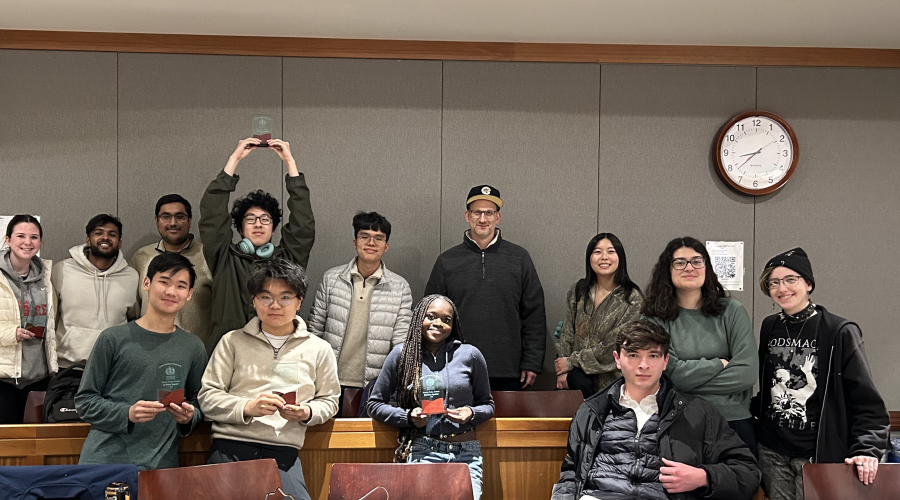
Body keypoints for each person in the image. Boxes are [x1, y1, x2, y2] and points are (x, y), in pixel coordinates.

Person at [551, 320, 759, 500]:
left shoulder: (698, 413)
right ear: (617, 359)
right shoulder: (592, 412)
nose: (643, 365)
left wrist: (702, 477)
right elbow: (572, 474)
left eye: (653, 355)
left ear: (665, 361)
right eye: (633, 355)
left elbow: (748, 473)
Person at [754, 248, 889, 499]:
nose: (782, 288)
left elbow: (866, 400)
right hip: (772, 450)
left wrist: (868, 449)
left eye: (790, 280)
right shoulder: (769, 326)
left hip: (817, 453)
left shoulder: (840, 331)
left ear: (808, 283)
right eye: (774, 283)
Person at [199, 259, 339, 500]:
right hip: (230, 446)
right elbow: (207, 397)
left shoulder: (319, 348)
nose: (275, 305)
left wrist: (306, 412)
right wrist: (247, 407)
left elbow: (330, 400)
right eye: (265, 297)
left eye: (285, 297)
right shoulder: (232, 341)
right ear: (254, 300)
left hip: (283, 451)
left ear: (299, 302)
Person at [75, 252, 207, 470]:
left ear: (190, 294)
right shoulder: (112, 338)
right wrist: (127, 413)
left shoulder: (193, 347)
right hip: (105, 462)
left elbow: (199, 401)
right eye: (163, 282)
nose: (171, 291)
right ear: (146, 283)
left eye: (181, 286)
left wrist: (189, 417)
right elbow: (85, 401)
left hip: (161, 466)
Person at [367, 294, 494, 500]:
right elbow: (374, 404)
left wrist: (470, 413)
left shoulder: (470, 355)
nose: (439, 323)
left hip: (466, 452)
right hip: (424, 449)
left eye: (446, 320)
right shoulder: (401, 355)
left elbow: (488, 405)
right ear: (419, 318)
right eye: (431, 316)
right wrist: (408, 417)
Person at [642, 237, 758, 454]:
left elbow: (747, 374)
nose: (689, 268)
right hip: (678, 420)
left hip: (733, 422)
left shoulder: (732, 311)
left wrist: (684, 381)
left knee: (738, 487)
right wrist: (719, 364)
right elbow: (669, 375)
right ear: (667, 269)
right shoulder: (654, 319)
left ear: (707, 267)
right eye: (680, 262)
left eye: (697, 261)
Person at [424, 185, 546, 391]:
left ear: (497, 217)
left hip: (508, 368)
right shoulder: (447, 261)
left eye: (489, 213)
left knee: (503, 424)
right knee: (456, 423)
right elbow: (429, 316)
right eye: (477, 212)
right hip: (455, 367)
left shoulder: (519, 258)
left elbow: (534, 315)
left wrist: (532, 362)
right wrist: (431, 360)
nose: (482, 219)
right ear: (467, 216)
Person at [200, 138, 315, 353]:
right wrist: (234, 160)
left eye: (265, 219)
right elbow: (211, 213)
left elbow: (303, 225)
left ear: (274, 229)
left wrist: (290, 163)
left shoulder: (287, 261)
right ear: (240, 229)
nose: (258, 224)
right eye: (250, 219)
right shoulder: (224, 256)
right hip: (227, 354)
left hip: (276, 352)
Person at [307, 211, 412, 411]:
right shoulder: (331, 279)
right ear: (355, 242)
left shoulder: (400, 287)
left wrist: (391, 383)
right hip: (330, 379)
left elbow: (401, 344)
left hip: (375, 384)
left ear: (386, 246)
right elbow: (314, 330)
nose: (371, 243)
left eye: (378, 238)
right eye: (365, 236)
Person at [555, 233, 643, 398]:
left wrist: (572, 362)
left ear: (620, 257)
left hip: (613, 385)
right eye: (597, 252)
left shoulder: (632, 298)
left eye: (610, 251)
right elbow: (568, 333)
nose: (604, 257)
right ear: (589, 258)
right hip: (574, 381)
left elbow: (615, 345)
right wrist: (562, 371)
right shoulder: (578, 291)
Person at [52, 214, 139, 369]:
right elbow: (51, 318)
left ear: (119, 243)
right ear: (88, 239)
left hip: (114, 367)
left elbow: (135, 319)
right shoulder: (62, 270)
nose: (105, 238)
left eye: (112, 234)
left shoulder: (131, 276)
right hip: (68, 367)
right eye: (98, 233)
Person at [131, 194, 214, 350]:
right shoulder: (142, 257)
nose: (173, 223)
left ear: (190, 221)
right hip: (148, 349)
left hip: (196, 353)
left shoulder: (208, 256)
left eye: (180, 217)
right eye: (166, 217)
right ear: (157, 220)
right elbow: (132, 308)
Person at [0, 215, 58, 424]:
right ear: (7, 240)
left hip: (40, 377)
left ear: (40, 242)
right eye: (21, 236)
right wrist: (11, 333)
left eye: (34, 237)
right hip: (4, 377)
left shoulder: (47, 275)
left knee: (37, 446)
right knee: (7, 446)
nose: (27, 242)